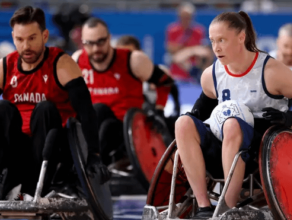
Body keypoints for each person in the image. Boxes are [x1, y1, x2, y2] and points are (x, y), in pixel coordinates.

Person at [175, 11, 292, 219]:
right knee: (183, 123)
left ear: (241, 37)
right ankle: (204, 207)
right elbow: (199, 112)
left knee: (232, 125)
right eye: (212, 41)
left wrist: (289, 119)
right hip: (221, 146)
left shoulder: (270, 70)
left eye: (222, 40)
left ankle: (227, 207)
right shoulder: (211, 74)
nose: (216, 47)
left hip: (258, 150)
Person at [0, 6, 109, 199]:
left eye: (32, 38)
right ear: (13, 37)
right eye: (20, 39)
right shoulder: (5, 66)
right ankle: (10, 181)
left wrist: (94, 155)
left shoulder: (62, 64)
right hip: (17, 150)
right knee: (3, 108)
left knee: (45, 108)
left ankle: (34, 187)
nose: (25, 46)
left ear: (45, 35)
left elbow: (86, 112)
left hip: (53, 149)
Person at [72, 18, 174, 166]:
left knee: (100, 113)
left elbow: (165, 81)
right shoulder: (76, 60)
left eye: (100, 42)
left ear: (109, 38)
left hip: (126, 130)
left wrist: (159, 109)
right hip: (90, 128)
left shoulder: (133, 60)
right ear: (82, 42)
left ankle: (91, 168)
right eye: (89, 43)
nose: (95, 49)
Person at [116, 35, 180, 137]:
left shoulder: (155, 72)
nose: (125, 59)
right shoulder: (115, 76)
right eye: (122, 54)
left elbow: (168, 82)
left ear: (139, 53)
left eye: (129, 54)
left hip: (153, 121)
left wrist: (162, 111)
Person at [166, 2, 213, 82]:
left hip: (195, 64)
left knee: (207, 54)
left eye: (188, 17)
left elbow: (202, 51)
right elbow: (171, 49)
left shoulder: (199, 30)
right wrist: (191, 50)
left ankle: (203, 78)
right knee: (178, 58)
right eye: (183, 17)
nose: (186, 20)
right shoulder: (172, 30)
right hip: (179, 65)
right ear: (179, 17)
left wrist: (188, 50)